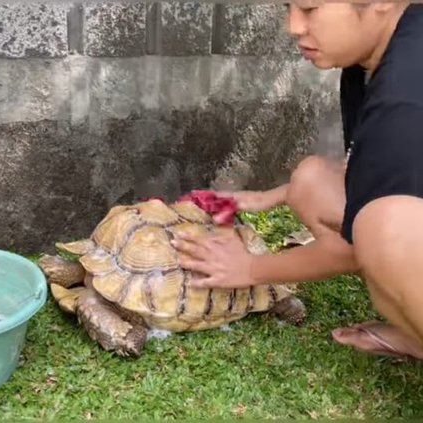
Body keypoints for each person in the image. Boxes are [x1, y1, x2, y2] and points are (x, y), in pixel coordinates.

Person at [171, 1, 423, 360]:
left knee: (385, 231)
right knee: (312, 181)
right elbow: (374, 173)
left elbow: (351, 248)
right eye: (289, 7)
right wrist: (271, 196)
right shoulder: (371, 62)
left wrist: (249, 268)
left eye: (309, 8)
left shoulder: (405, 97)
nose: (293, 26)